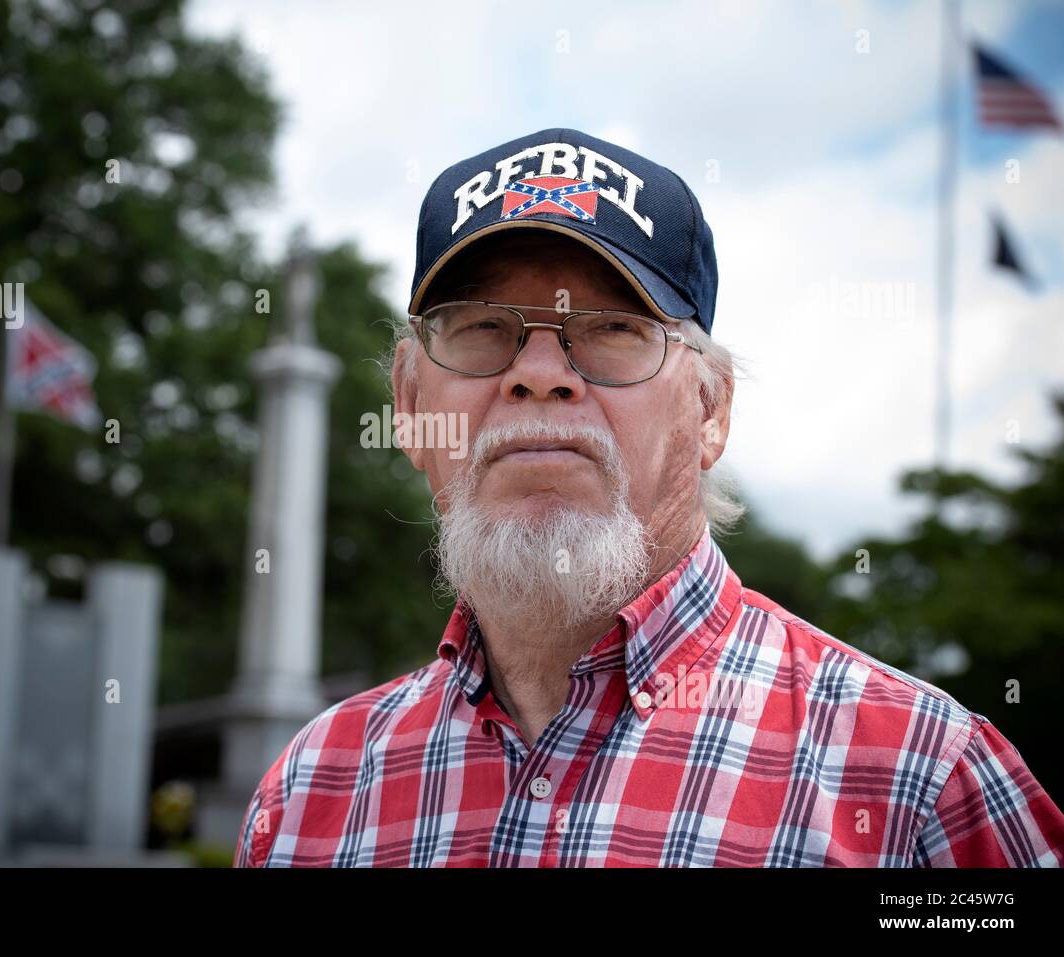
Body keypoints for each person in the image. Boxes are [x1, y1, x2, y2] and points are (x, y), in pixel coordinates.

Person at [234, 128, 1064, 867]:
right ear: (411, 408)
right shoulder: (306, 799)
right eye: (482, 326)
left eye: (612, 327)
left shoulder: (924, 785)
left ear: (711, 409)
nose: (539, 374)